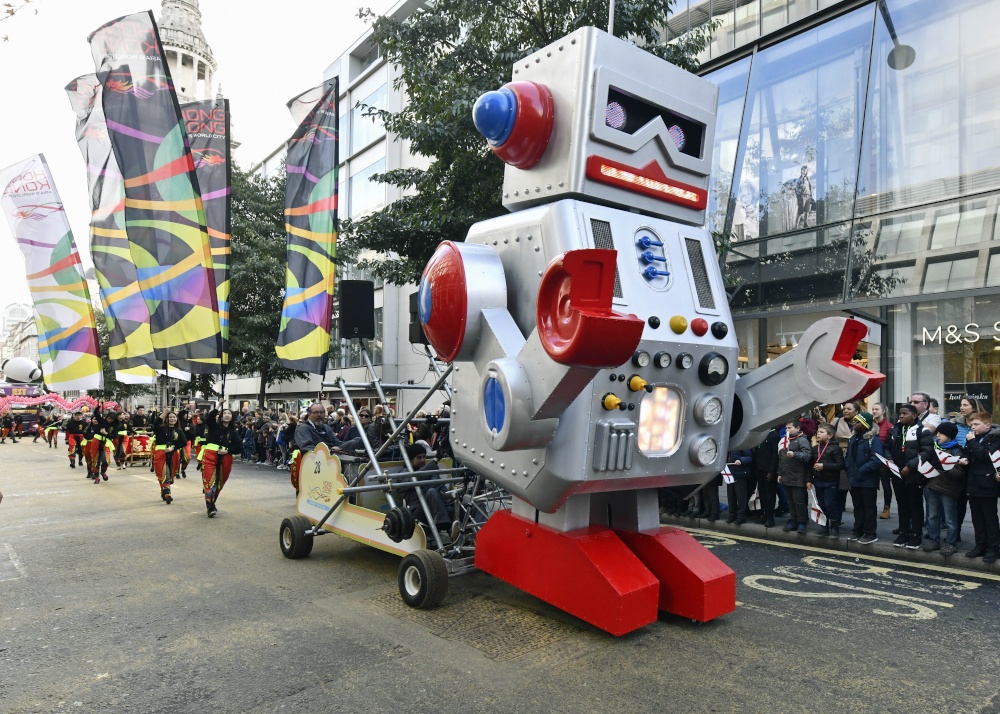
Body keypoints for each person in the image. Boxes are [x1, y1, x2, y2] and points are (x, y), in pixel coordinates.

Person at [885, 404, 933, 549]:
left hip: (914, 474)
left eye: (905, 413)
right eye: (900, 413)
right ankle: (903, 533)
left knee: (915, 505)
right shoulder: (894, 430)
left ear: (914, 416)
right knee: (902, 505)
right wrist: (889, 459)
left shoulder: (922, 431)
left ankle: (916, 535)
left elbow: (927, 451)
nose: (901, 416)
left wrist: (910, 466)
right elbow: (886, 447)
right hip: (897, 473)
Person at [396, 441, 457, 538]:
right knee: (432, 492)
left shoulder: (429, 471)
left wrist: (455, 497)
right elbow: (417, 477)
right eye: (419, 457)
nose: (422, 460)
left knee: (465, 502)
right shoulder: (403, 475)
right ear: (410, 460)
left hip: (439, 508)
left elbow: (442, 489)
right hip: (419, 513)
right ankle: (448, 527)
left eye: (424, 457)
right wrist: (436, 460)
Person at [961, 412, 1000, 562]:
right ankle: (980, 546)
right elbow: (968, 453)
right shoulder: (974, 439)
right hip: (973, 483)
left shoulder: (995, 438)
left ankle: (993, 549)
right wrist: (965, 458)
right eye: (972, 425)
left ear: (988, 425)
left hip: (987, 484)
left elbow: (985, 455)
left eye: (976, 424)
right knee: (977, 519)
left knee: (990, 519)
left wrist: (972, 442)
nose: (973, 427)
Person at [924, 421, 966, 556]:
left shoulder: (957, 451)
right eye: (937, 433)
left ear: (949, 435)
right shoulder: (934, 447)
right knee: (932, 516)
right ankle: (933, 539)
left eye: (941, 433)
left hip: (949, 489)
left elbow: (959, 473)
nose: (938, 435)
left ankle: (950, 542)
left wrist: (946, 468)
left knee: (950, 519)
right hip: (933, 486)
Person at [845, 411, 883, 544]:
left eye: (857, 422)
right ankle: (858, 530)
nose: (854, 423)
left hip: (868, 480)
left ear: (865, 424)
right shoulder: (853, 439)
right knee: (858, 506)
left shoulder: (874, 439)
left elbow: (877, 459)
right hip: (854, 479)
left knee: (869, 507)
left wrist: (861, 470)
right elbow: (849, 457)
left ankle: (870, 533)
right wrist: (849, 469)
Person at [200, 406, 242, 517]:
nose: (227, 415)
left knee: (219, 483)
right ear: (221, 416)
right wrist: (219, 405)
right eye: (225, 413)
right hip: (210, 455)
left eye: (229, 413)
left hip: (225, 458)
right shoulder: (214, 426)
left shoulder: (233, 432)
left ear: (232, 417)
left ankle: (212, 502)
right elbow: (209, 419)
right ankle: (209, 507)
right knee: (210, 481)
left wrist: (227, 450)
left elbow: (239, 447)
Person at [777, 419, 813, 534]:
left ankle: (802, 522)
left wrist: (794, 454)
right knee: (791, 501)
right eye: (786, 428)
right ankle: (793, 520)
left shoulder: (802, 440)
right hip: (787, 475)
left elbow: (807, 456)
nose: (787, 430)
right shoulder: (784, 441)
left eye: (790, 428)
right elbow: (781, 459)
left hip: (798, 476)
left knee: (799, 501)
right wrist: (780, 473)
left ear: (797, 428)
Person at [809, 423, 845, 537]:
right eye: (817, 432)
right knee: (821, 505)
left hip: (831, 481)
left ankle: (834, 527)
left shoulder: (835, 448)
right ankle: (824, 527)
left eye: (821, 432)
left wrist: (824, 466)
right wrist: (809, 479)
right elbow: (810, 466)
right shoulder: (815, 449)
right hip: (818, 481)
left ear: (829, 435)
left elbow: (840, 465)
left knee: (831, 504)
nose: (818, 434)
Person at [153, 411, 186, 504]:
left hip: (173, 454)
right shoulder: (161, 428)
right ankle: (167, 494)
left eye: (174, 417)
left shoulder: (178, 430)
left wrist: (173, 448)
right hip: (161, 453)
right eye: (170, 417)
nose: (172, 419)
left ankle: (163, 491)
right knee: (164, 473)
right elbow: (156, 423)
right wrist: (164, 413)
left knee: (170, 474)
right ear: (166, 419)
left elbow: (183, 442)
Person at [753, 425, 781, 528]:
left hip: (768, 470)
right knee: (762, 493)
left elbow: (775, 455)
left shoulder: (774, 435)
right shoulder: (761, 435)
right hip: (760, 469)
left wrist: (771, 471)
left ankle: (770, 517)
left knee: (770, 494)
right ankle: (765, 514)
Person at [871, 402, 894, 518]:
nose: (874, 411)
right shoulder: (869, 424)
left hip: (884, 460)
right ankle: (871, 507)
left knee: (886, 485)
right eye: (873, 409)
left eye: (877, 409)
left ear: (883, 411)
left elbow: (890, 444)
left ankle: (887, 507)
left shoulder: (889, 426)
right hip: (871, 459)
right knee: (871, 484)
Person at [724, 448, 753, 525]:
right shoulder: (728, 445)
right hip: (729, 474)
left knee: (741, 497)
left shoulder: (742, 445)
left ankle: (741, 516)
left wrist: (741, 460)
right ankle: (732, 515)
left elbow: (749, 458)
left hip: (740, 474)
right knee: (731, 496)